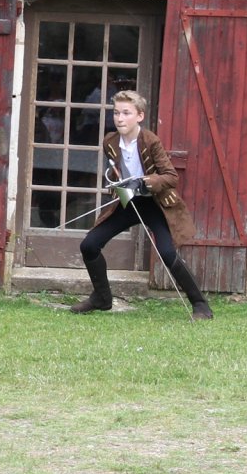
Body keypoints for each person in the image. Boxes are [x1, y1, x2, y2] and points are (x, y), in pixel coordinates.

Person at [70, 89, 213, 321]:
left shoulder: (150, 140)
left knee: (167, 253)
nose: (120, 118)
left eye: (126, 113)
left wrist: (147, 181)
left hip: (154, 204)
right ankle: (102, 298)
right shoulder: (110, 141)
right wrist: (116, 184)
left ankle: (200, 305)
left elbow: (171, 177)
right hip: (128, 201)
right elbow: (115, 171)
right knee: (89, 245)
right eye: (116, 113)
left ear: (139, 116)